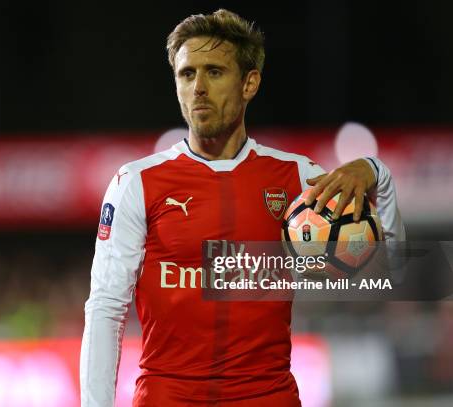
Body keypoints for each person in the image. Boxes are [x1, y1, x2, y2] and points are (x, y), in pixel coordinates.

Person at [81, 9, 405, 406]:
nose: (198, 87)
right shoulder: (136, 182)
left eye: (214, 72)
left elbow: (386, 270)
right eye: (187, 74)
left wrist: (379, 177)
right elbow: (106, 308)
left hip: (267, 396)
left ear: (249, 82)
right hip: (168, 396)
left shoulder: (298, 179)